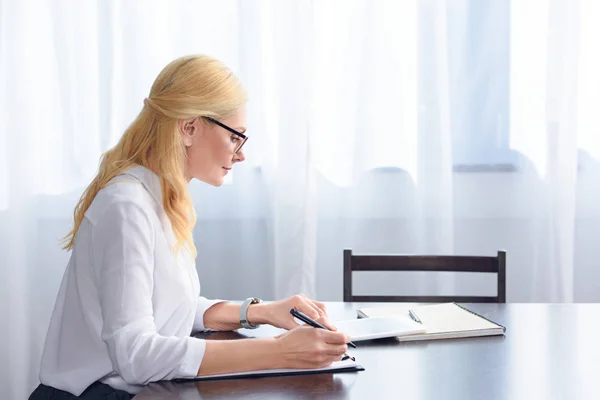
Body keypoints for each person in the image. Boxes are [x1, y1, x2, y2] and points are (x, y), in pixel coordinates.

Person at [29, 55, 350, 399]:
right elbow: (136, 355)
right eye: (235, 137)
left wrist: (261, 311)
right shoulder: (126, 207)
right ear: (189, 128)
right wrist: (282, 350)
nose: (241, 154)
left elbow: (168, 308)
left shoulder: (159, 196)